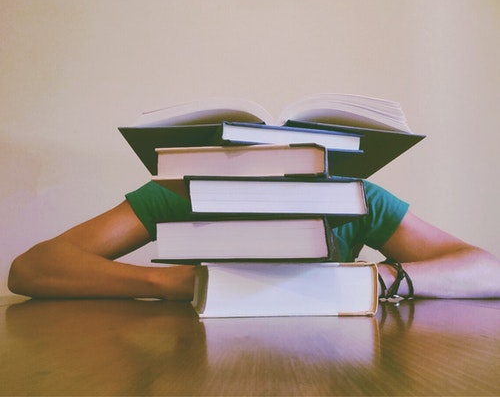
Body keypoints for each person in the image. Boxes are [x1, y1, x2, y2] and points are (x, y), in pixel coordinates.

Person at [8, 180, 500, 300]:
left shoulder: (354, 198)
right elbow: (31, 268)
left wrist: (378, 278)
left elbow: (487, 268)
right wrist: (179, 283)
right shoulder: (184, 191)